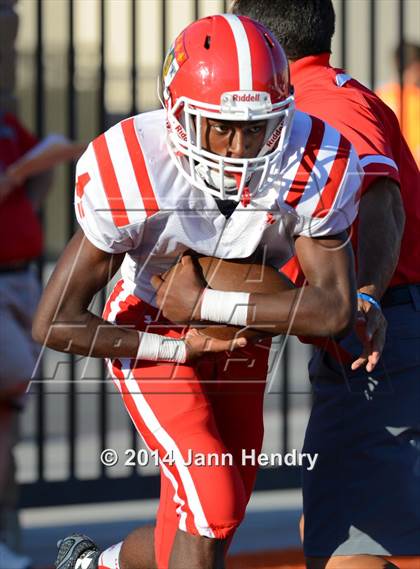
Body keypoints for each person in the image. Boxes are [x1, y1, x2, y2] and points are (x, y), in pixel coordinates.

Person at [33, 14, 365, 569]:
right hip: (150, 329)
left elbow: (334, 310)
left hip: (242, 336)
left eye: (256, 127)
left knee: (219, 512)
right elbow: (56, 321)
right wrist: (176, 345)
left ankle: (96, 564)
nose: (239, 149)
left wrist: (204, 305)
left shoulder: (311, 159)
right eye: (221, 127)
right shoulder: (136, 167)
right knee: (210, 501)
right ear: (180, 117)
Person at [231, 1, 420, 568]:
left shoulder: (322, 102)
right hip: (378, 338)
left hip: (382, 337)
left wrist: (362, 294)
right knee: (337, 527)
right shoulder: (314, 96)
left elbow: (381, 194)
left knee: (346, 547)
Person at [0, 110, 85, 569]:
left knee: (6, 421)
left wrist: (31, 176)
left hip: (21, 278)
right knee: (13, 378)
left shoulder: (6, 121)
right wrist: (16, 175)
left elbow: (37, 171)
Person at [376, 42, 420, 167]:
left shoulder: (380, 96)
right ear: (416, 66)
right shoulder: (416, 98)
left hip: (388, 169)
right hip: (412, 171)